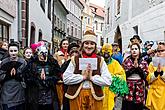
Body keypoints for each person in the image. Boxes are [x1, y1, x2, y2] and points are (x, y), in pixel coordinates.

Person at [63, 30, 112, 110]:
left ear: (95, 46)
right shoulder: (74, 59)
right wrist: (83, 77)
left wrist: (92, 78)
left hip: (95, 97)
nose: (89, 46)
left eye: (92, 43)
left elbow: (108, 81)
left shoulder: (100, 60)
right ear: (82, 45)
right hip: (77, 96)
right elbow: (66, 78)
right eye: (86, 43)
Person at [26, 42, 61, 110]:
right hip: (36, 95)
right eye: (42, 53)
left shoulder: (52, 63)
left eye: (45, 53)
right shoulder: (32, 63)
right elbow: (27, 77)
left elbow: (58, 75)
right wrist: (37, 79)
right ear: (38, 52)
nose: (43, 55)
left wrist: (48, 79)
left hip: (49, 95)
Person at [0, 42, 27, 110]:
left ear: (18, 51)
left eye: (15, 51)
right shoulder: (4, 62)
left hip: (19, 93)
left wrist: (18, 75)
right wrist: (8, 75)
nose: (13, 53)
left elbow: (26, 77)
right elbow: (0, 76)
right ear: (8, 51)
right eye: (11, 51)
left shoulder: (23, 62)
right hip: (7, 93)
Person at [122, 43, 148, 110]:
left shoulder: (144, 62)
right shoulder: (126, 61)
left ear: (139, 50)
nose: (134, 50)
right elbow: (123, 75)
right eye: (132, 49)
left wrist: (138, 68)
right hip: (128, 90)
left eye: (136, 49)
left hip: (139, 91)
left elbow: (145, 77)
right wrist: (133, 68)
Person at [101, 43, 127, 110]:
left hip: (113, 92)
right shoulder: (99, 63)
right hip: (101, 93)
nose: (106, 52)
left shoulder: (115, 63)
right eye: (104, 50)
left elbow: (122, 77)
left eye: (108, 50)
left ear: (111, 52)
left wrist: (112, 77)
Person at [146, 41, 165, 110]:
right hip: (154, 93)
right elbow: (148, 79)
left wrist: (162, 73)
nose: (159, 53)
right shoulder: (152, 63)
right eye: (158, 51)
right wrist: (156, 73)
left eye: (162, 51)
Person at [61, 42, 80, 110]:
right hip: (68, 91)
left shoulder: (81, 63)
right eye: (72, 52)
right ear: (69, 53)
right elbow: (63, 78)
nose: (74, 54)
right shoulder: (65, 64)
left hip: (79, 92)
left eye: (76, 52)